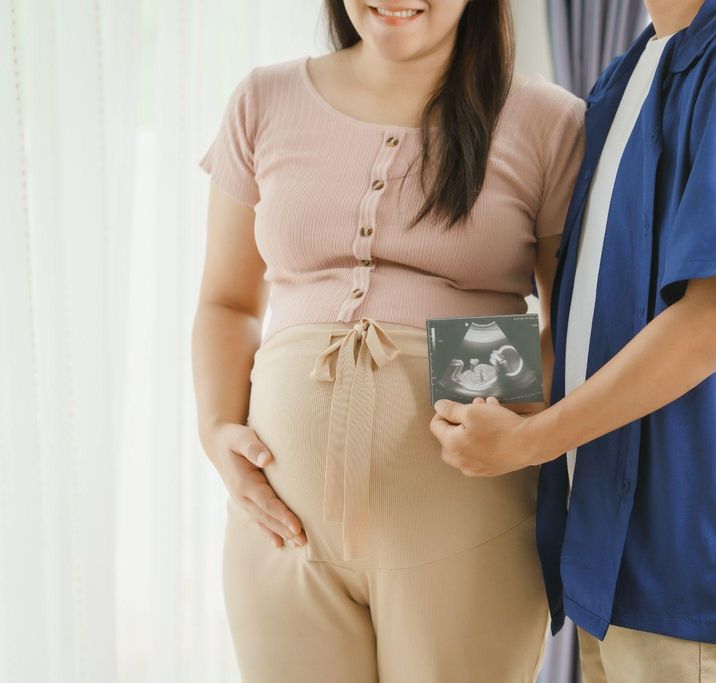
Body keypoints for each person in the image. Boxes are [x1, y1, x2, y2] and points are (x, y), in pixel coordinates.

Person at [430, 0, 716, 680]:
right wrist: (405, 354)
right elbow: (598, 310)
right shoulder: (625, 76)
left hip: (691, 560)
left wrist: (529, 441)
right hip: (611, 555)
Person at [191, 1, 584, 680]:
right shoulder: (264, 99)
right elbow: (226, 302)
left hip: (467, 526)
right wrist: (218, 430)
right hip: (280, 532)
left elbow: (574, 333)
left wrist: (439, 378)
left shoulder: (546, 120)